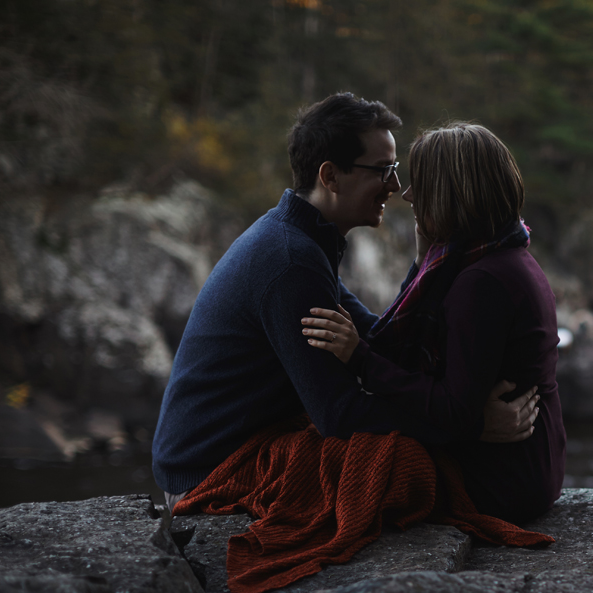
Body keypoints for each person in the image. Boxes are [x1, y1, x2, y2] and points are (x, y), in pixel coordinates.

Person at [152, 95, 537, 510]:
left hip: (234, 446)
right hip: (211, 471)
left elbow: (377, 338)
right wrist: (472, 427)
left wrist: (423, 262)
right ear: (331, 176)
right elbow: (340, 416)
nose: (396, 186)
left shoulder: (301, 242)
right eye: (384, 170)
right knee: (410, 466)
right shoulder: (290, 260)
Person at [300, 122, 565, 524]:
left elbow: (452, 410)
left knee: (329, 468)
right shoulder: (500, 255)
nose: (406, 194)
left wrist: (360, 359)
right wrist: (421, 264)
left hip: (502, 483)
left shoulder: (482, 281)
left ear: (451, 192)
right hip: (529, 468)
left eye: (420, 183)